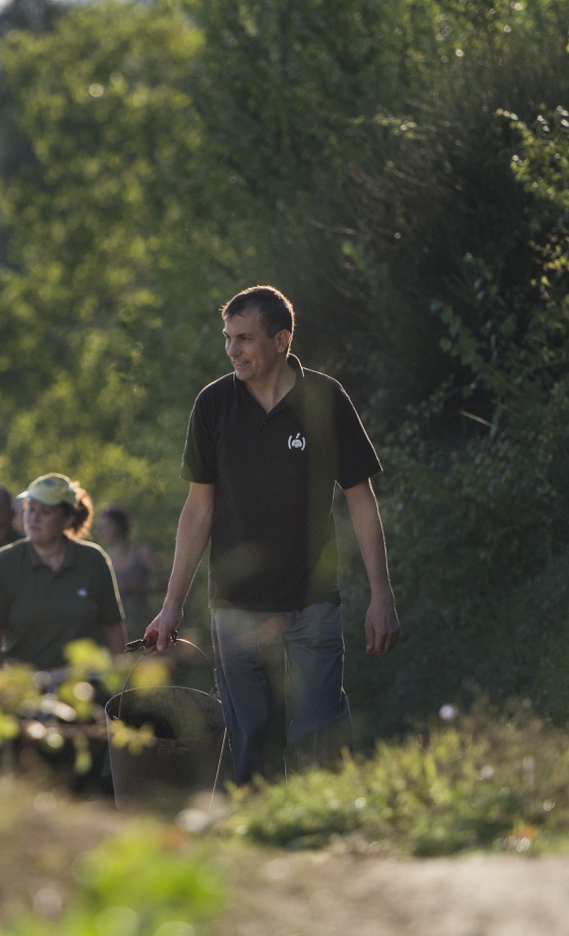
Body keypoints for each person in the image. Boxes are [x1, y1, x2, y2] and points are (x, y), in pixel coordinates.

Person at [143, 284, 400, 786]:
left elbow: (360, 499)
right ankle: (262, 853)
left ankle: (324, 844)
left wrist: (381, 596)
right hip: (236, 609)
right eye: (227, 338)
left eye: (245, 338)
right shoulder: (213, 405)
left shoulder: (325, 398)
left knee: (318, 738)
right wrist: (172, 604)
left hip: (313, 604)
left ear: (281, 340)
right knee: (253, 750)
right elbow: (198, 511)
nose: (232, 350)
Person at [0, 473, 126, 672]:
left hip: (85, 685)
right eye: (30, 509)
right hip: (26, 688)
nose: (34, 518)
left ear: (68, 519)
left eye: (45, 512)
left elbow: (112, 626)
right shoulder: (4, 563)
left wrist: (121, 684)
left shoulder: (93, 560)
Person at [97, 505, 159, 639]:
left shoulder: (142, 553)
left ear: (119, 526)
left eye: (107, 526)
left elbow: (164, 586)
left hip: (144, 624)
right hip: (115, 628)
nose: (103, 531)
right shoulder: (103, 559)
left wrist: (133, 587)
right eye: (101, 527)